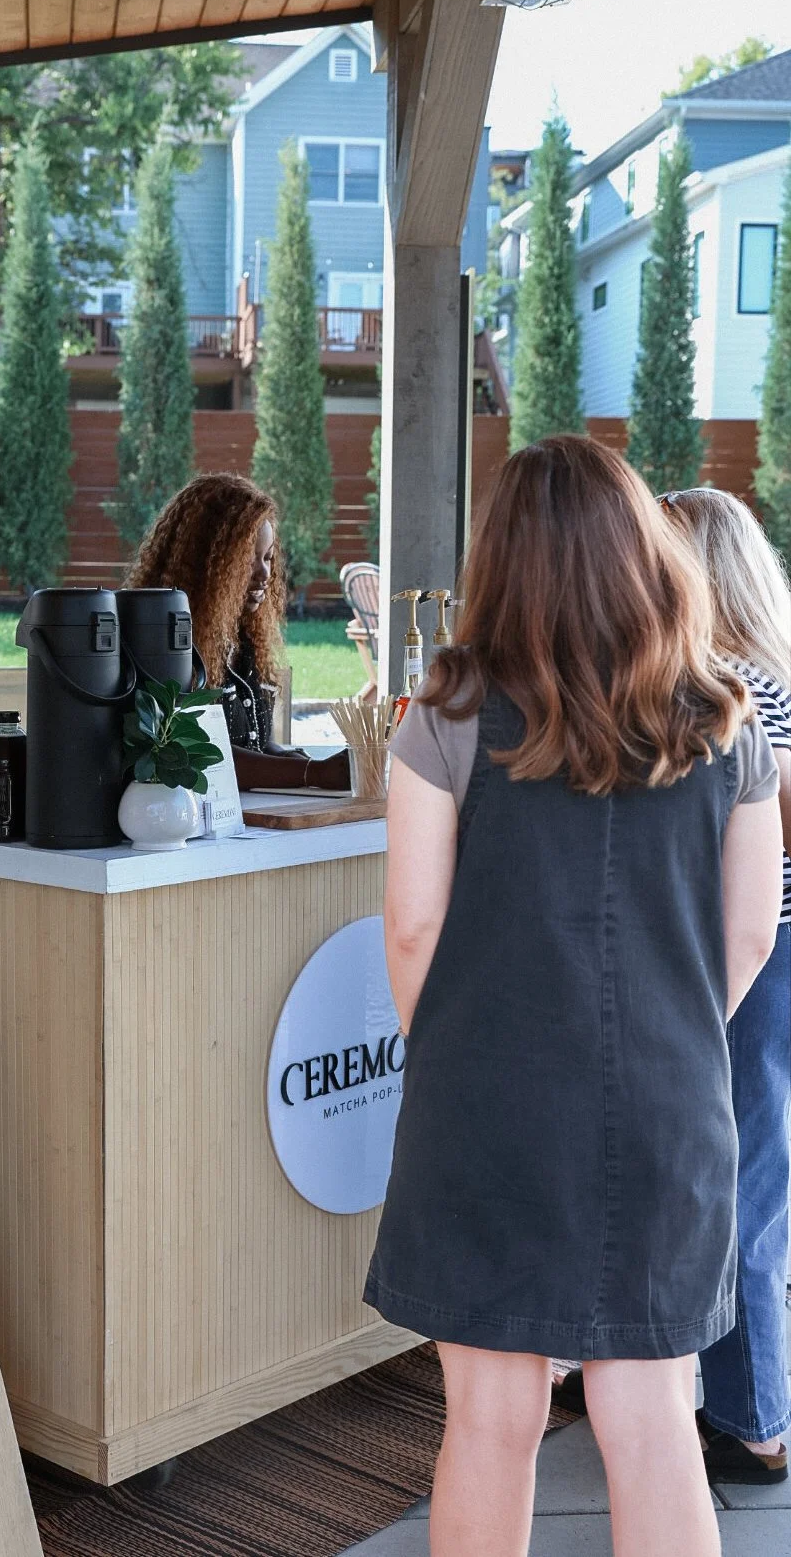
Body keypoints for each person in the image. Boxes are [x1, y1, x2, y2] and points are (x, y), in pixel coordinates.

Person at [364, 436, 783, 1557]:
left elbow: (411, 926)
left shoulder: (444, 707)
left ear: (501, 558)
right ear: (642, 549)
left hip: (487, 1106)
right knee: (652, 1427)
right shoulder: (720, 711)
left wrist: (460, 1054)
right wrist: (674, 1037)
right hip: (669, 1107)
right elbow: (751, 931)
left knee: (489, 1425)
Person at [658, 487, 791, 1485]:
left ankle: (751, 1418)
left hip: (745, 951)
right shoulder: (773, 674)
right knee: (759, 1181)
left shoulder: (724, 684)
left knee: (732, 1184)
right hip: (778, 949)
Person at [125, 472, 349, 792]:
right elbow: (193, 755)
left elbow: (253, 743)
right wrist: (310, 774)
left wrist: (293, 761)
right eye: (248, 560)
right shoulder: (166, 643)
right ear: (208, 563)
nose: (265, 574)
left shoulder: (240, 637)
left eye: (268, 557)